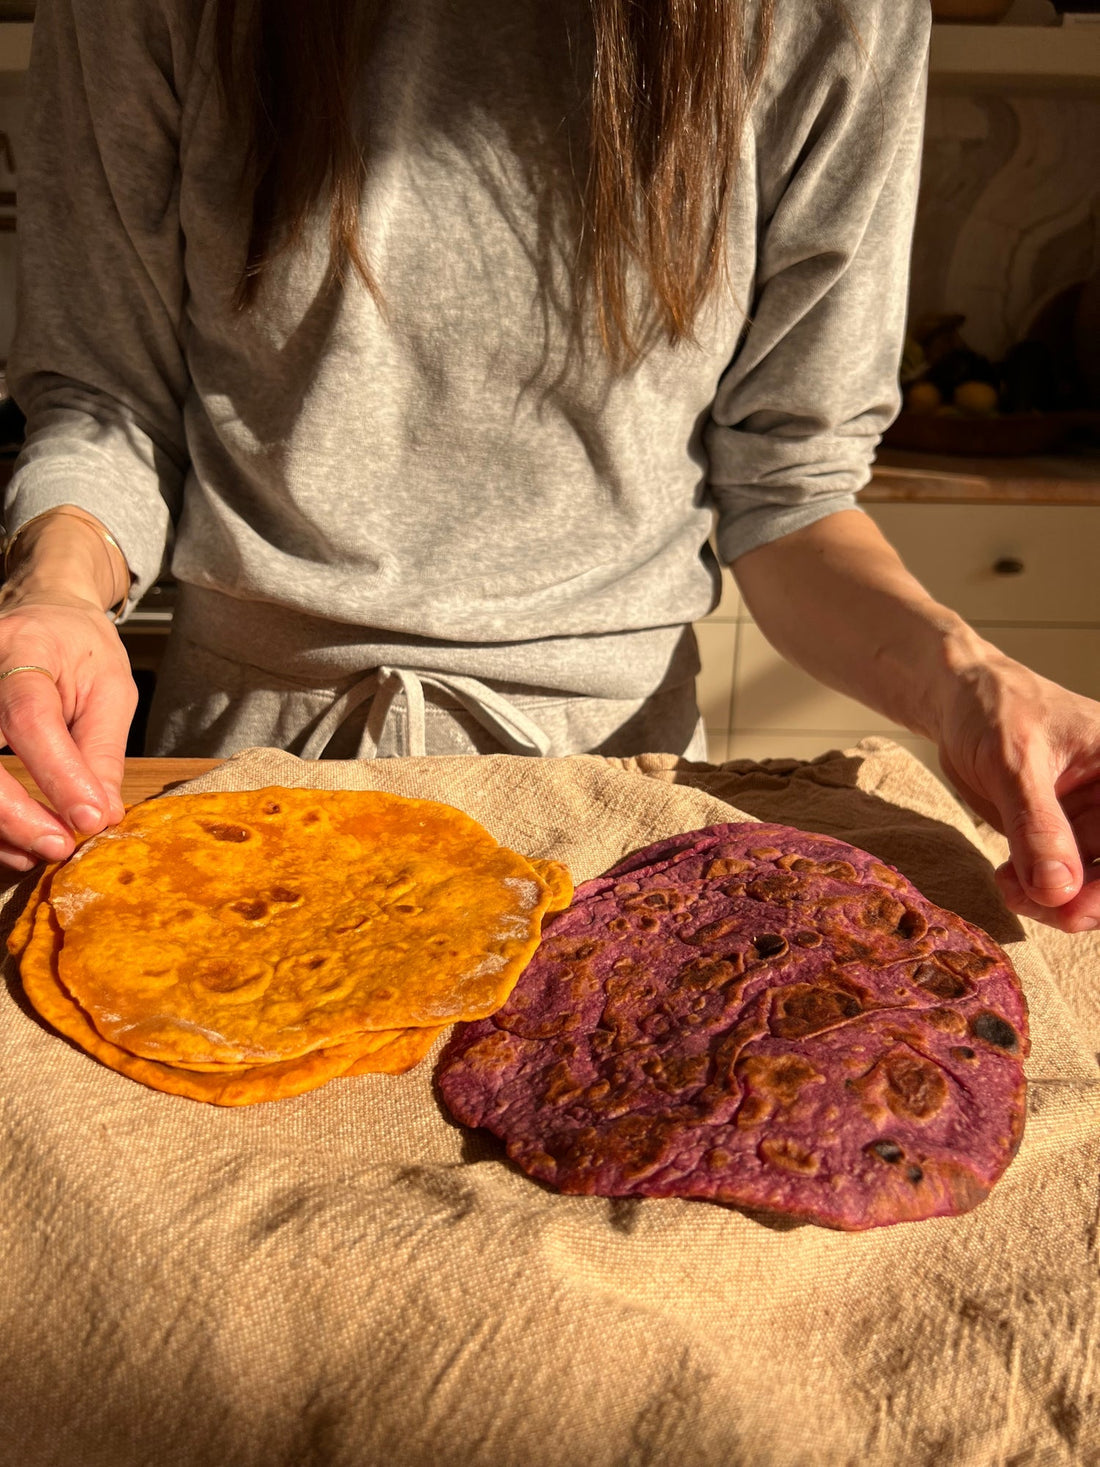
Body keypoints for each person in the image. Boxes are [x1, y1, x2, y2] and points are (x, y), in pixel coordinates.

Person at [0, 0, 1097, 934]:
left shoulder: (823, 13)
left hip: (613, 802)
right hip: (240, 777)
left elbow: (790, 490)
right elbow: (110, 402)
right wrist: (52, 594)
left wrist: (964, 681)